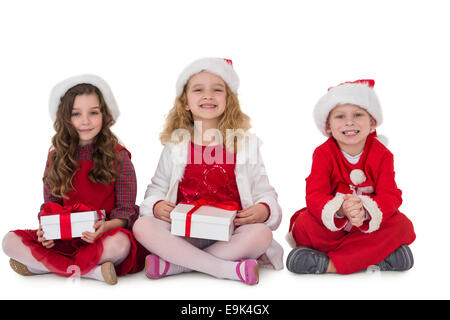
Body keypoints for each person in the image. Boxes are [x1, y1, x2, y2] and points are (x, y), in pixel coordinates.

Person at [133, 58, 283, 285]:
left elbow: (264, 191)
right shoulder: (176, 145)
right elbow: (158, 187)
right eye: (198, 90)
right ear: (185, 102)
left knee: (262, 234)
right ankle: (225, 269)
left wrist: (263, 209)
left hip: (230, 234)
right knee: (142, 226)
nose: (208, 95)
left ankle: (176, 265)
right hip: (184, 234)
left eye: (217, 90)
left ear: (229, 100)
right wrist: (156, 205)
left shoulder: (245, 144)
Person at [2, 74, 146, 284]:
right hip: (65, 238)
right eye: (76, 114)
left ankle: (44, 267)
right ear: (65, 118)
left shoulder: (119, 157)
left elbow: (125, 213)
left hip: (102, 237)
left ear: (104, 115)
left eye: (93, 113)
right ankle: (92, 272)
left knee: (121, 244)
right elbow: (51, 204)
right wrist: (46, 232)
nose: (85, 121)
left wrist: (104, 228)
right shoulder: (56, 157)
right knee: (8, 242)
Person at [286, 79, 416, 274]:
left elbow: (390, 195)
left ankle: (328, 265)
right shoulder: (323, 154)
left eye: (358, 114)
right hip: (334, 225)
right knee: (303, 225)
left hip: (366, 225)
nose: (349, 122)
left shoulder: (383, 155)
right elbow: (314, 194)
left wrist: (365, 212)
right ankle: (380, 258)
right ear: (328, 126)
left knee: (401, 225)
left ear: (372, 122)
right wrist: (339, 209)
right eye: (340, 116)